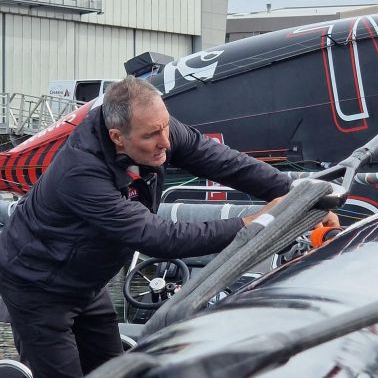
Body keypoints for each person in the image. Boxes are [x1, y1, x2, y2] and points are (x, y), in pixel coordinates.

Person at [0, 76, 338, 378]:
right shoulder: (81, 173)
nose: (165, 141)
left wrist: (299, 196)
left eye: (165, 127)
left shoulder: (156, 127)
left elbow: (225, 162)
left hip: (88, 280)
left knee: (113, 369)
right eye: (152, 135)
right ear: (117, 137)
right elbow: (157, 236)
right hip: (39, 286)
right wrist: (254, 223)